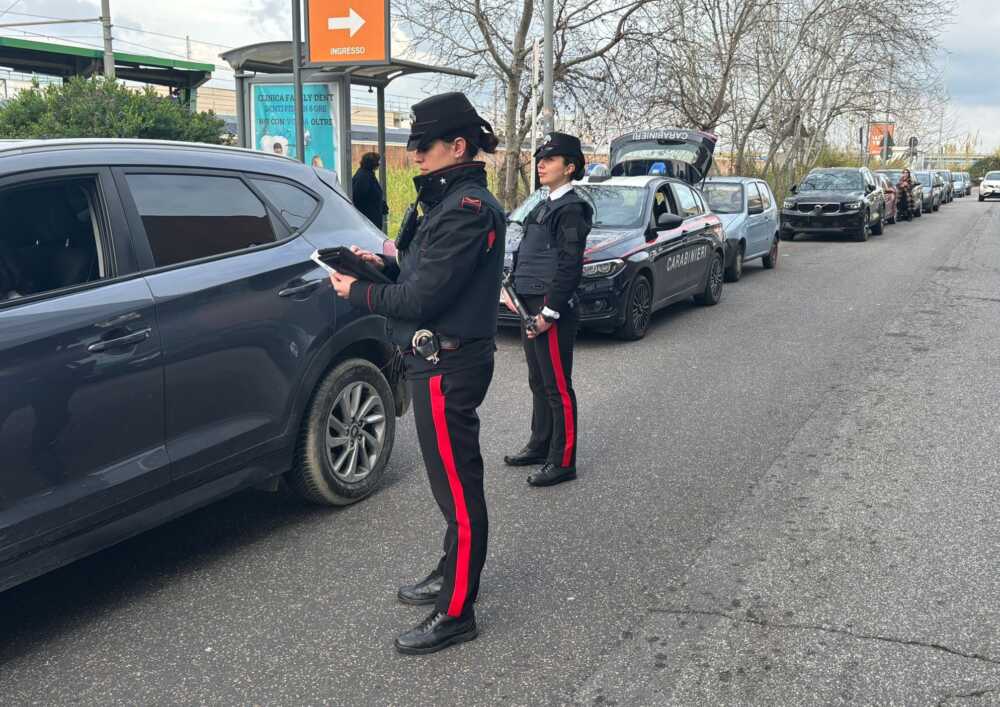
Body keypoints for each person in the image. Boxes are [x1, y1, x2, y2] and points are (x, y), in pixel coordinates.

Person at [328, 92, 505, 655]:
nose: (415, 158)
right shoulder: (448, 202)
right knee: (447, 485)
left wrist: (359, 291)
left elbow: (423, 297)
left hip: (447, 364)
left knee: (458, 486)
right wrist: (384, 267)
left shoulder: (467, 208)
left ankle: (457, 611)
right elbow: (423, 275)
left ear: (458, 146)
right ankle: (450, 570)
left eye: (424, 148)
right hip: (436, 360)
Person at [502, 133, 592, 488]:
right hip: (529, 302)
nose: (540, 163)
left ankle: (563, 459)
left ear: (569, 168)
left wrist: (549, 313)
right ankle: (540, 445)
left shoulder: (571, 208)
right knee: (538, 380)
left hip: (549, 308)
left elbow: (570, 265)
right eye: (540, 157)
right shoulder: (544, 204)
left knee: (557, 387)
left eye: (550, 159)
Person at [351, 152, 389, 230]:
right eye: (378, 161)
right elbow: (359, 197)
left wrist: (381, 205)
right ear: (373, 163)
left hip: (370, 219)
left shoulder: (366, 174)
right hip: (368, 220)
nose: (379, 164)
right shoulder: (363, 177)